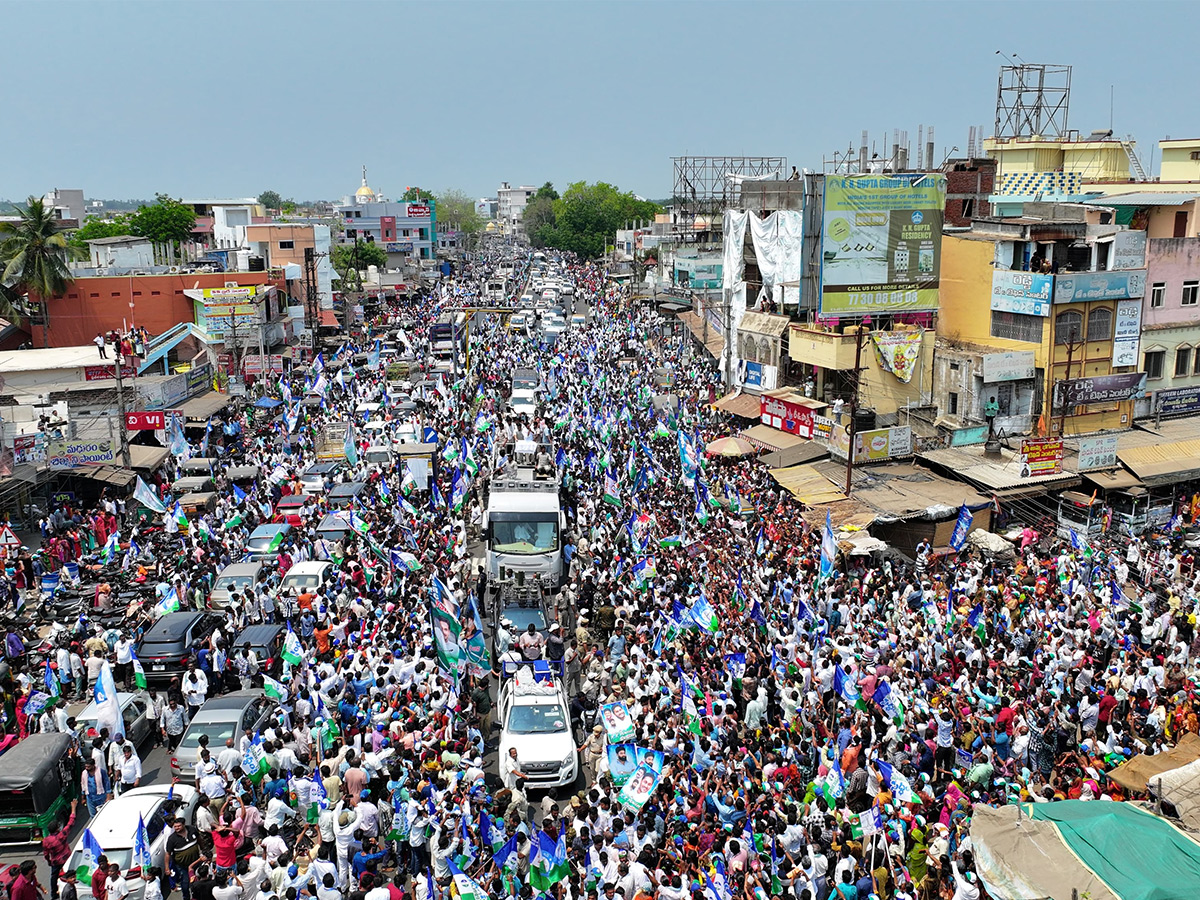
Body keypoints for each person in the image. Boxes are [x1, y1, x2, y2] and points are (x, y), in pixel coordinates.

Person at [42, 799, 78, 900]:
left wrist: (49, 861)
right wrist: (73, 808)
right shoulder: (62, 835)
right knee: (70, 873)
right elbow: (71, 822)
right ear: (57, 828)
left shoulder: (46, 841)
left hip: (55, 862)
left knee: (54, 877)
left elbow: (46, 853)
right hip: (66, 859)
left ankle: (54, 894)